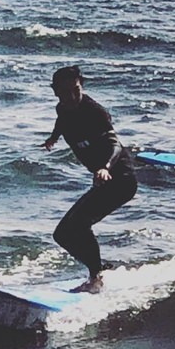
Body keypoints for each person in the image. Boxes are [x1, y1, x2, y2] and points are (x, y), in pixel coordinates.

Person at [42, 65, 137, 294]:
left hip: (121, 180)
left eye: (76, 90)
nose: (71, 97)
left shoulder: (95, 112)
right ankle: (100, 269)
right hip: (105, 183)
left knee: (79, 225)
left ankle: (96, 277)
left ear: (81, 86)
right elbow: (61, 121)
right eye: (65, 92)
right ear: (55, 92)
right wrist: (53, 138)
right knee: (62, 234)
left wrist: (105, 167)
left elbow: (115, 144)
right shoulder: (62, 108)